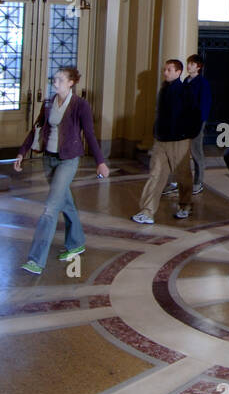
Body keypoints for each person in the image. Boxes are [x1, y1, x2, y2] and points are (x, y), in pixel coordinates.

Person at [14, 66, 109, 275]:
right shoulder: (48, 103)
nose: (55, 82)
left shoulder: (80, 105)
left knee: (50, 209)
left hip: (68, 160)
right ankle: (76, 243)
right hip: (49, 160)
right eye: (54, 79)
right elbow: (35, 130)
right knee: (65, 202)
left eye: (59, 79)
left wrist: (100, 161)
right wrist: (21, 153)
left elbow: (90, 135)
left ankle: (35, 260)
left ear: (71, 82)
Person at [132, 60, 200, 224]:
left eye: (169, 70)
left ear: (178, 72)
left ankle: (185, 205)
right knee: (155, 174)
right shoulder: (163, 89)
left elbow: (195, 113)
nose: (165, 73)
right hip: (162, 139)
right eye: (165, 70)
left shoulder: (185, 91)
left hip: (179, 139)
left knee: (183, 174)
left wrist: (187, 133)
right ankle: (147, 211)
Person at [163, 53, 212, 197]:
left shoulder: (203, 83)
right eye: (188, 63)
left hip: (196, 123)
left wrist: (199, 122)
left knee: (196, 153)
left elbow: (204, 105)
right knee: (179, 153)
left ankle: (198, 182)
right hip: (184, 122)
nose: (189, 66)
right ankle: (176, 182)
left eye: (192, 64)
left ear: (198, 67)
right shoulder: (186, 81)